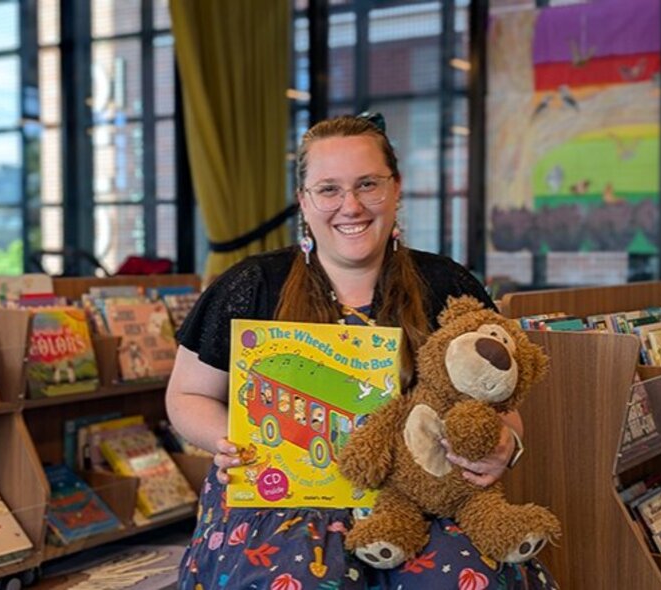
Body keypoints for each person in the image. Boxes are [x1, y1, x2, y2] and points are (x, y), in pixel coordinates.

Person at [166, 113, 558, 589]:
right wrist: (230, 442)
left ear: (396, 188)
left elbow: (503, 407)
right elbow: (186, 396)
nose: (350, 206)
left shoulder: (448, 285)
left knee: (467, 579)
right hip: (281, 497)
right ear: (303, 201)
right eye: (328, 189)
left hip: (420, 497)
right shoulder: (251, 285)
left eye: (368, 184)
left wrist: (506, 446)